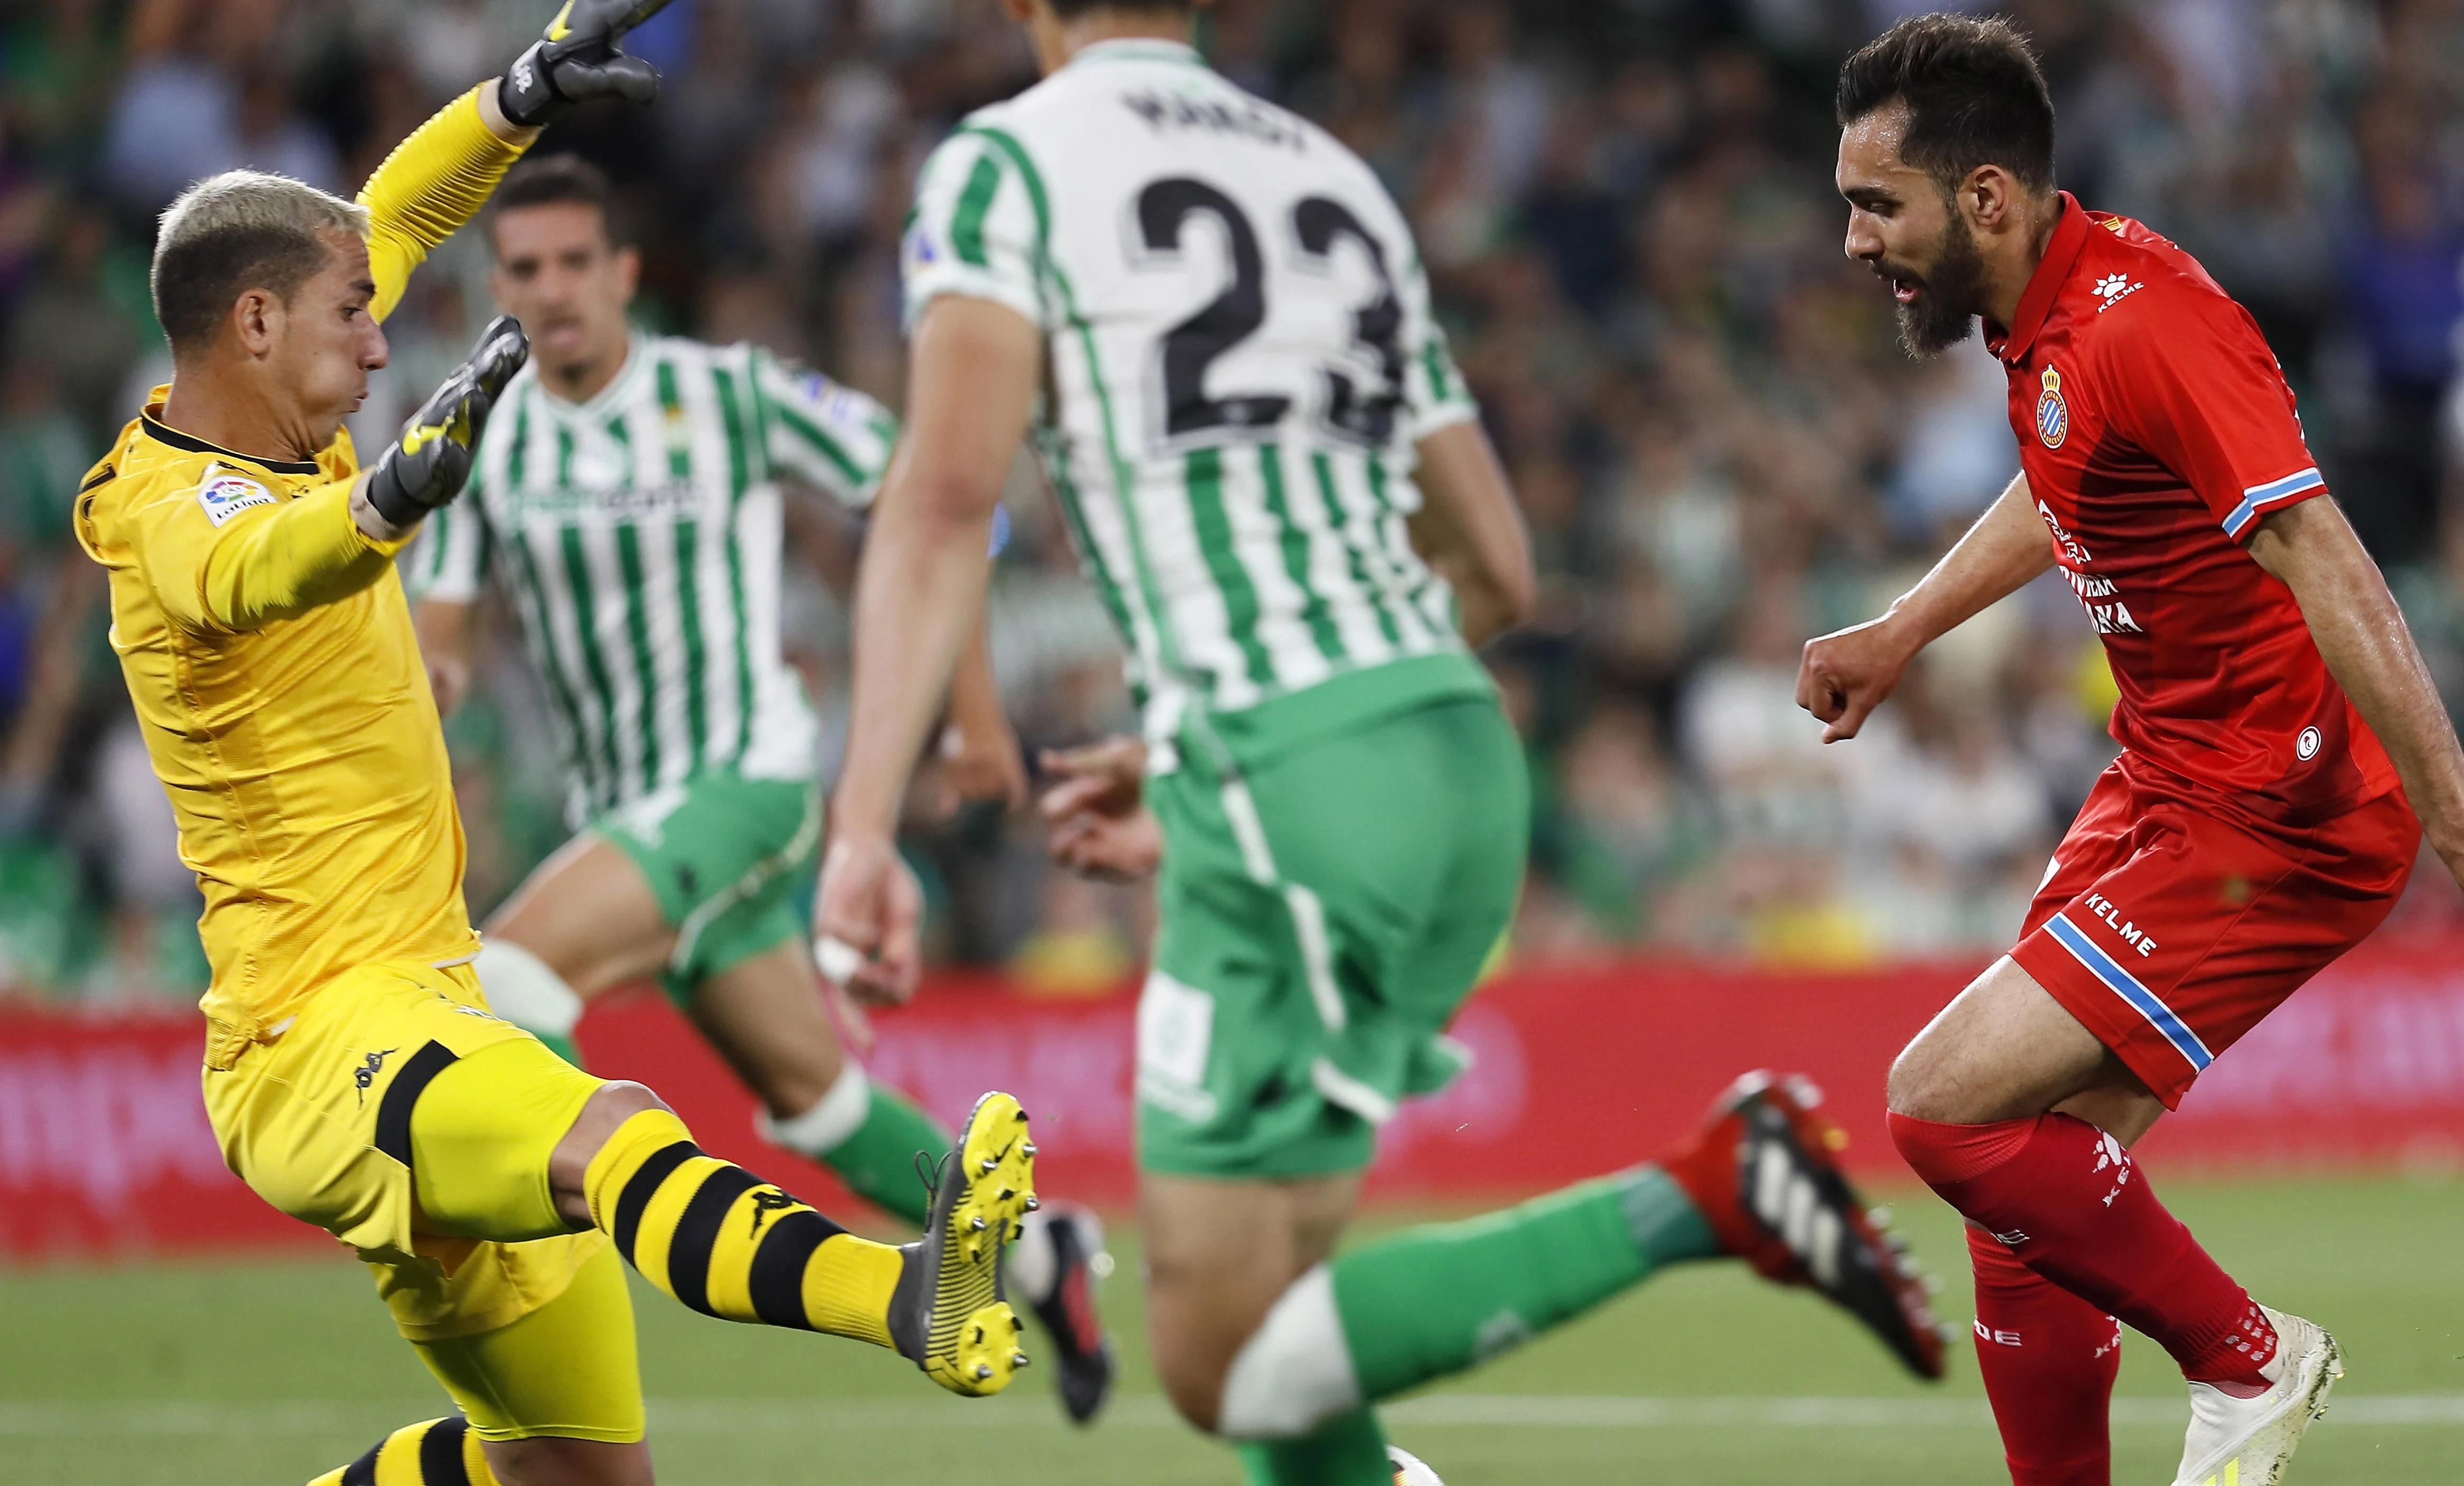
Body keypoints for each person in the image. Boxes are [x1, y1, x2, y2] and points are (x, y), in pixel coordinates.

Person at [811, 3, 1949, 1483]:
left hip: (1294, 786)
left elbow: (949, 499)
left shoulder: (1008, 163)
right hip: (1448, 749)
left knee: (1222, 1358)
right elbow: (1498, 566)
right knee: (1290, 1341)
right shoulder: (1330, 176)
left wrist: (862, 828)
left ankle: (1707, 1190)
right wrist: (1218, 745)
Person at [72, 8, 1039, 1485]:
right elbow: (263, 569)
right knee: (615, 1126)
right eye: (355, 314)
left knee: (576, 1476)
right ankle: (905, 1289)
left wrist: (516, 95)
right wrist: (391, 501)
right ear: (254, 326)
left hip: (430, 996)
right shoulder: (171, 511)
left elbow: (391, 207)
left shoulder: (286, 394)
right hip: (320, 1043)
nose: (384, 331)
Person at [1807, 16, 2464, 1486]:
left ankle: (2250, 1354)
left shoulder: (2144, 317)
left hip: (2276, 813)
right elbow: (2067, 479)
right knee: (2035, 1189)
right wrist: (1904, 627)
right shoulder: (2050, 323)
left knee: (1940, 1103)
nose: (1855, 239)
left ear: (1985, 195)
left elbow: (2327, 555)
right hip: (2171, 778)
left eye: (1878, 204)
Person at [407, 152, 1116, 1424]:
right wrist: (415, 707)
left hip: (746, 785)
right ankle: (1051, 1250)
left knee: (503, 982)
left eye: (577, 262)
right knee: (820, 1101)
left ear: (626, 273)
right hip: (624, 824)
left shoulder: (726, 393)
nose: (554, 290)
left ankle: (564, 1292)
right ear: (494, 286)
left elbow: (927, 493)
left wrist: (967, 712)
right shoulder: (481, 430)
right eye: (525, 270)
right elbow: (442, 642)